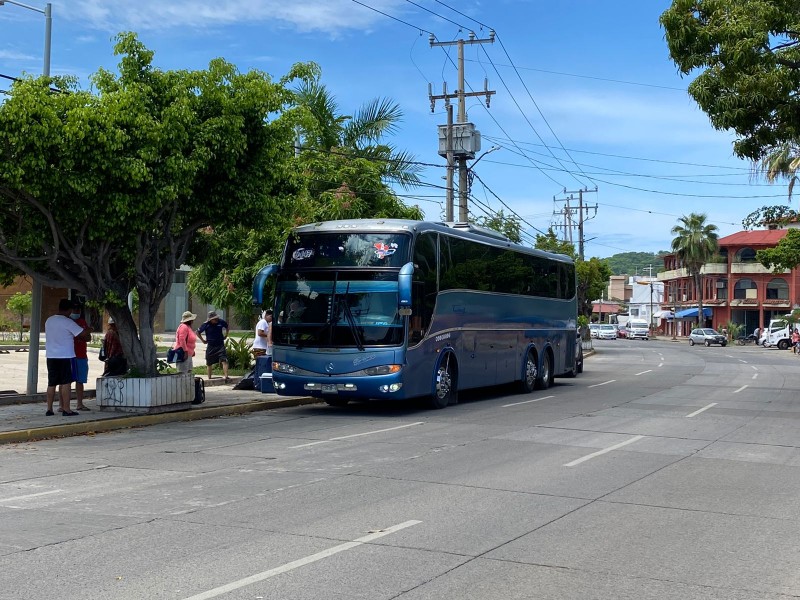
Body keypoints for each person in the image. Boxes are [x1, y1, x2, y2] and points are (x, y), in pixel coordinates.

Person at [45, 298, 91, 417]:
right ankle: (67, 409)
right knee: (66, 383)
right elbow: (82, 334)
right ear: (69, 310)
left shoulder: (49, 320)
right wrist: (89, 329)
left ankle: (49, 409)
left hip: (51, 356)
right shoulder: (68, 322)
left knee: (52, 383)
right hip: (66, 356)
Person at [69, 301, 92, 411]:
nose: (76, 311)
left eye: (78, 309)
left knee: (80, 380)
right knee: (66, 381)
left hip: (82, 355)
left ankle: (79, 403)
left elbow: (88, 337)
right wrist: (83, 334)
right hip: (69, 355)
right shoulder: (67, 322)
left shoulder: (82, 322)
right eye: (74, 309)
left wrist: (83, 335)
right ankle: (62, 405)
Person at [197, 310, 230, 382]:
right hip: (211, 345)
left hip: (220, 344)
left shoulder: (220, 322)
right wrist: (203, 340)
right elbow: (198, 332)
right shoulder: (206, 324)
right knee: (209, 361)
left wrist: (226, 335)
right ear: (210, 320)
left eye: (216, 318)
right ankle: (209, 376)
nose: (216, 320)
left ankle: (226, 376)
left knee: (224, 360)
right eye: (214, 319)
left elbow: (227, 326)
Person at [172, 311, 197, 375]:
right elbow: (182, 339)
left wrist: (192, 351)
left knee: (189, 371)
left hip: (189, 354)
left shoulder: (188, 327)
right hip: (183, 353)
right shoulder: (183, 327)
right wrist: (185, 351)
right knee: (183, 372)